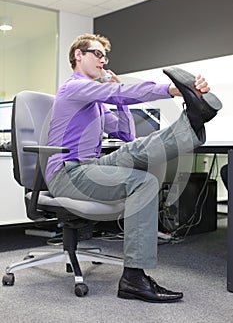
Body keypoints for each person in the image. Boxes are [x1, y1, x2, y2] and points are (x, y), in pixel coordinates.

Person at [45, 33, 222, 303]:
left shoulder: (94, 104)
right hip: (67, 174)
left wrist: (116, 98)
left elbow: (126, 134)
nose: (103, 61)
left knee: (131, 150)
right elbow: (119, 93)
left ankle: (192, 119)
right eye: (97, 54)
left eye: (105, 56)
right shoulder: (74, 88)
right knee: (145, 182)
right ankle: (133, 279)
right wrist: (172, 90)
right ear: (78, 55)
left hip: (89, 167)